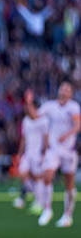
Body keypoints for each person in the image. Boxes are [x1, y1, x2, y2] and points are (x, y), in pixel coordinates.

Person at [37, 82, 80, 227]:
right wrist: (28, 103)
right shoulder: (50, 106)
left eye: (67, 89)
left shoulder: (73, 107)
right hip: (53, 149)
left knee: (69, 184)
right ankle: (47, 209)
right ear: (59, 91)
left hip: (68, 150)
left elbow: (77, 125)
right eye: (62, 88)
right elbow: (36, 116)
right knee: (47, 176)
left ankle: (67, 215)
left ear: (71, 93)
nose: (64, 91)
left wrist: (67, 135)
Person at [13, 90, 49, 214]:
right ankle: (34, 194)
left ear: (35, 107)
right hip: (28, 153)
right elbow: (23, 138)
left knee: (38, 178)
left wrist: (44, 154)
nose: (26, 108)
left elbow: (46, 139)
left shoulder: (43, 121)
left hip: (38, 153)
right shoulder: (26, 121)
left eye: (29, 106)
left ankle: (39, 203)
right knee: (22, 173)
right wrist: (19, 153)